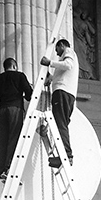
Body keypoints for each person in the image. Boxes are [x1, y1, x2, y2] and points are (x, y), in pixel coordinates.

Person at [0, 57, 33, 181]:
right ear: (15, 66)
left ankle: (1, 171)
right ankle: (9, 168)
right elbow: (29, 94)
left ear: (5, 67)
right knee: (14, 139)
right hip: (15, 109)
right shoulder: (20, 76)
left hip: (2, 110)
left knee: (3, 140)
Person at [41, 39, 79, 168]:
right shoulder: (67, 56)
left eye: (57, 49)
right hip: (68, 94)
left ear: (62, 45)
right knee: (61, 125)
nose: (57, 52)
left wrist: (50, 63)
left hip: (62, 92)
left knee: (60, 124)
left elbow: (68, 65)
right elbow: (65, 71)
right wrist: (51, 78)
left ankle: (67, 155)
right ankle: (64, 155)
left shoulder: (68, 52)